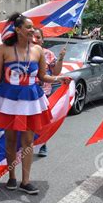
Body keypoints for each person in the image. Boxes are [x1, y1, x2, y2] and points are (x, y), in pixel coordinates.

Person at [0, 13, 70, 194]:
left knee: (27, 141)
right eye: (28, 27)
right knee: (10, 140)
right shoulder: (3, 50)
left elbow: (42, 76)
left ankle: (26, 181)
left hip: (31, 99)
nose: (32, 30)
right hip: (8, 98)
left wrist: (59, 78)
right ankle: (12, 177)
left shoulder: (38, 50)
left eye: (32, 27)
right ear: (17, 30)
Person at [33, 28, 67, 157]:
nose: (36, 39)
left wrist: (61, 58)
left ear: (42, 39)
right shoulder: (23, 53)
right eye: (33, 36)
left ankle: (42, 144)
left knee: (42, 120)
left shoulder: (48, 54)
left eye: (39, 37)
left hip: (43, 92)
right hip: (26, 93)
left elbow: (56, 72)